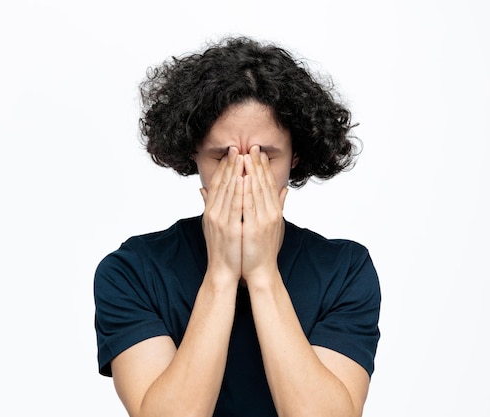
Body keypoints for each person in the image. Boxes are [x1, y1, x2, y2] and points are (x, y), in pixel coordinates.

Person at [94, 36, 381, 417]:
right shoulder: (133, 271)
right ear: (192, 153)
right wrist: (222, 273)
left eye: (265, 156)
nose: (244, 176)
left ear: (295, 156)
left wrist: (263, 273)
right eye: (221, 157)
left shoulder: (344, 270)